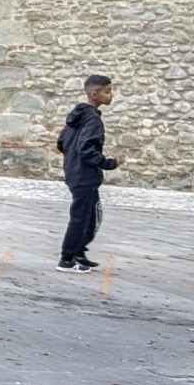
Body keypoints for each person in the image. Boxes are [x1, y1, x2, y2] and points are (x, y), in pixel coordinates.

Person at [58, 73, 122, 272]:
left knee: (91, 217)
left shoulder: (77, 116)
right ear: (94, 95)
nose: (111, 95)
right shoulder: (93, 119)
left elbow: (61, 142)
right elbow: (86, 149)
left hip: (74, 172)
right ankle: (67, 259)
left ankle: (79, 253)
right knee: (81, 217)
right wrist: (110, 163)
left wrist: (72, 160)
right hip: (84, 175)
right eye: (107, 91)